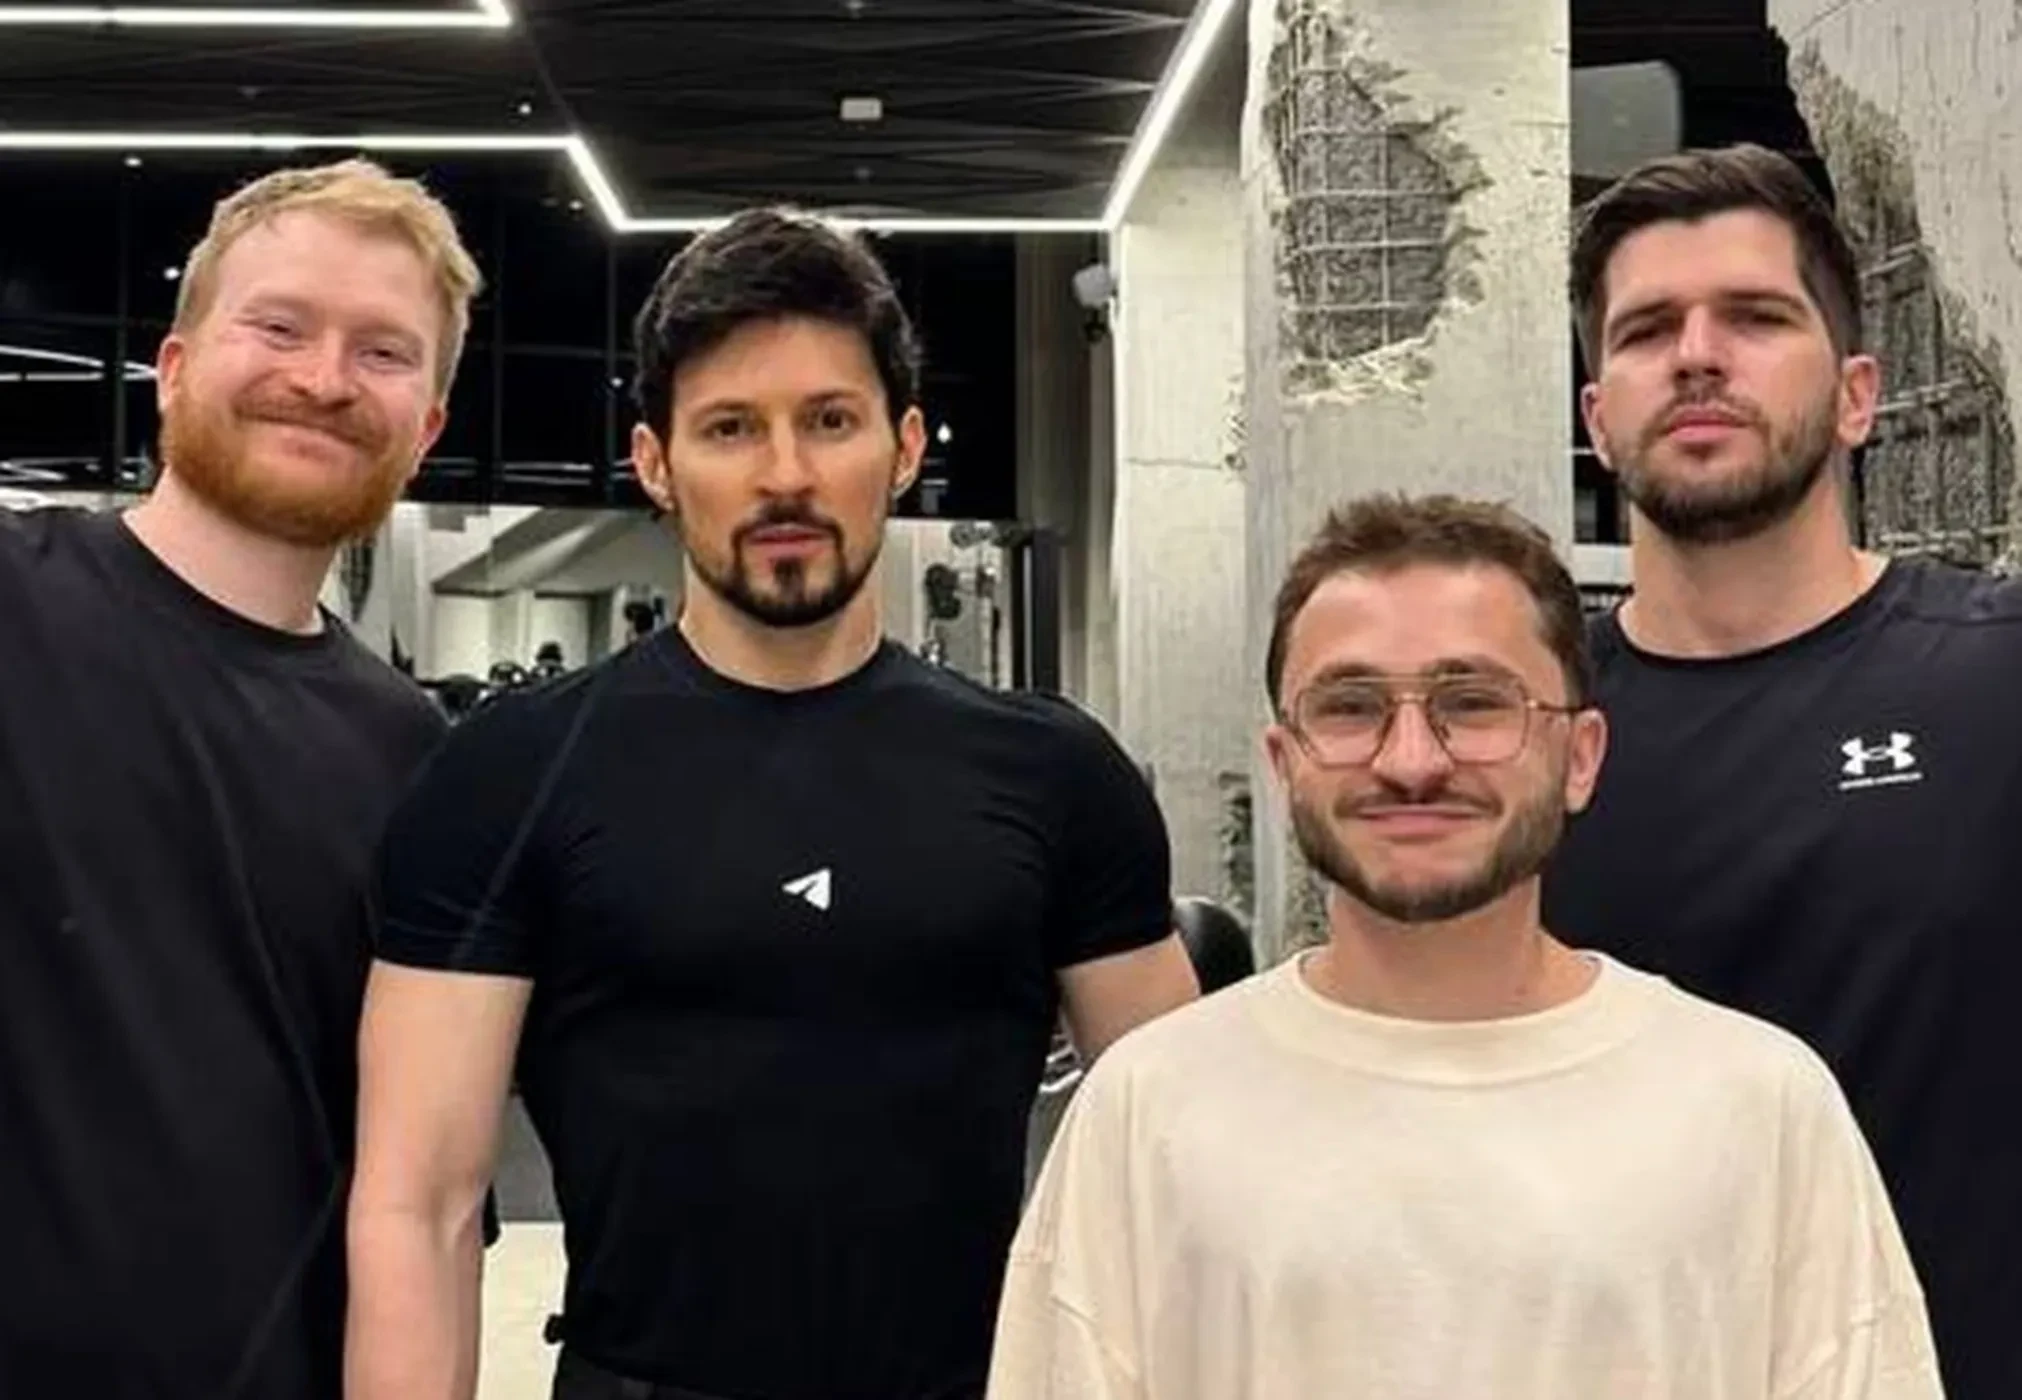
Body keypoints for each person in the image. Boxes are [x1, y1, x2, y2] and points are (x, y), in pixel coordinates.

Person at [345, 207, 1200, 1400]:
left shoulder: (1054, 773)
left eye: (830, 420)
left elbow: (1178, 1175)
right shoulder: (508, 772)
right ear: (656, 462)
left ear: (904, 447)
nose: (785, 474)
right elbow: (419, 1201)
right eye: (730, 427)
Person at [988, 494, 1943, 1400]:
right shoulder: (1149, 1109)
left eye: (1476, 703)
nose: (1411, 760)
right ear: (1284, 765)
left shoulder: (1760, 1106)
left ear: (1580, 756)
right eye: (1350, 706)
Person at [1542, 142, 2022, 1398]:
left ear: (1858, 396)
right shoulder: (1521, 740)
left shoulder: (1996, 680)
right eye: (1648, 329)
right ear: (1598, 421)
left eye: (1756, 317)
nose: (1698, 354)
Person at [0, 159, 479, 1397]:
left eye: (383, 351)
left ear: (427, 427)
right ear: (172, 367)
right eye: (278, 326)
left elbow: (420, 1188)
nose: (323, 379)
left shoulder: (418, 760)